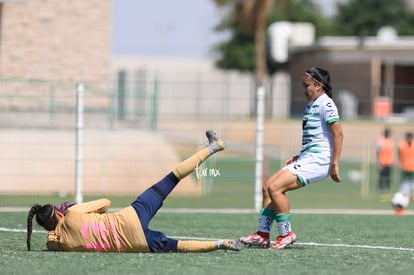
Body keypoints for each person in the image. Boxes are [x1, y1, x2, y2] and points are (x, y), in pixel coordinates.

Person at [26, 130, 242, 253]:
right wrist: (72, 207)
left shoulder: (58, 243)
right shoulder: (72, 214)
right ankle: (212, 147)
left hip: (133, 243)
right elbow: (105, 202)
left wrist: (54, 230)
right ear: (60, 212)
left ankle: (220, 243)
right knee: (172, 178)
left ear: (47, 228)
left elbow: (51, 242)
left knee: (177, 246)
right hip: (131, 216)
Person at [240, 67, 344, 250]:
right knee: (267, 187)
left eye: (307, 86)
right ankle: (262, 235)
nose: (304, 90)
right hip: (308, 157)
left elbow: (338, 134)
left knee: (275, 188)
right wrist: (299, 156)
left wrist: (334, 164)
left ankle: (286, 234)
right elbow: (318, 137)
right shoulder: (313, 104)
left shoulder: (326, 104)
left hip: (319, 161)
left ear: (318, 86)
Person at [376, 128, 395, 199]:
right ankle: (381, 189)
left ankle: (387, 189)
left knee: (388, 177)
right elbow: (377, 151)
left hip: (389, 162)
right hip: (382, 162)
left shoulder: (391, 140)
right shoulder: (381, 140)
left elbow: (392, 151)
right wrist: (379, 162)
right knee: (381, 176)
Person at [398, 132, 414, 200]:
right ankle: (404, 195)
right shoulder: (402, 144)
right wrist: (401, 161)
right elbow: (399, 152)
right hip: (405, 166)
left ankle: (412, 195)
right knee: (405, 181)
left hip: (413, 167)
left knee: (412, 182)